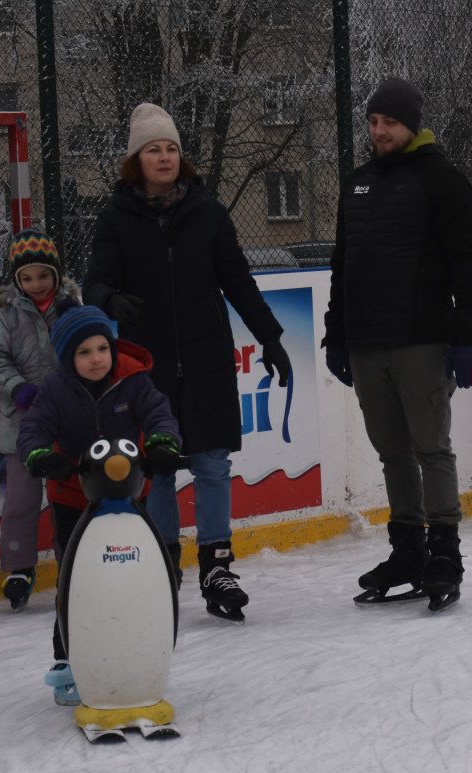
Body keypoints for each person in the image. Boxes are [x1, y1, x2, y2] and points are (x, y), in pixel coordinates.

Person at [81, 102, 291, 623]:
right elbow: (94, 284)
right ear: (136, 159)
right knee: (158, 470)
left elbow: (238, 282)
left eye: (172, 147)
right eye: (154, 148)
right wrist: (111, 302)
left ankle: (217, 565)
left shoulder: (209, 214)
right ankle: (162, 563)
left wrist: (271, 338)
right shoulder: (115, 220)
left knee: (212, 464)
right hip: (146, 368)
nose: (165, 156)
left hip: (206, 359)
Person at [322, 77, 472, 610]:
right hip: (368, 343)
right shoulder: (358, 182)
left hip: (421, 340)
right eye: (372, 123)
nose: (379, 131)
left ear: (411, 124)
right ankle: (408, 550)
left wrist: (465, 337)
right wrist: (337, 334)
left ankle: (444, 554)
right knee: (392, 452)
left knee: (431, 449)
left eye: (388, 122)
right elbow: (342, 265)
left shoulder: (443, 181)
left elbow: (466, 264)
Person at [16, 305, 182, 704]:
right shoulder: (55, 389)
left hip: (128, 499)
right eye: (84, 352)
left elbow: (160, 415)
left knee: (132, 577)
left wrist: (162, 443)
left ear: (112, 347)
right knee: (76, 580)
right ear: (68, 358)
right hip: (73, 499)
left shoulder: (134, 381)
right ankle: (66, 659)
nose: (96, 359)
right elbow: (33, 427)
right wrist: (40, 454)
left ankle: (133, 653)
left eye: (101, 348)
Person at [0, 228, 80, 611]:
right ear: (16, 279)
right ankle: (18, 568)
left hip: (65, 422)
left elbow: (87, 349)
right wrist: (17, 387)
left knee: (66, 499)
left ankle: (70, 563)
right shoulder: (6, 312)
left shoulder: (71, 305)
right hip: (20, 424)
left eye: (43, 275)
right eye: (26, 277)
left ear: (56, 273)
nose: (35, 284)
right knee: (20, 500)